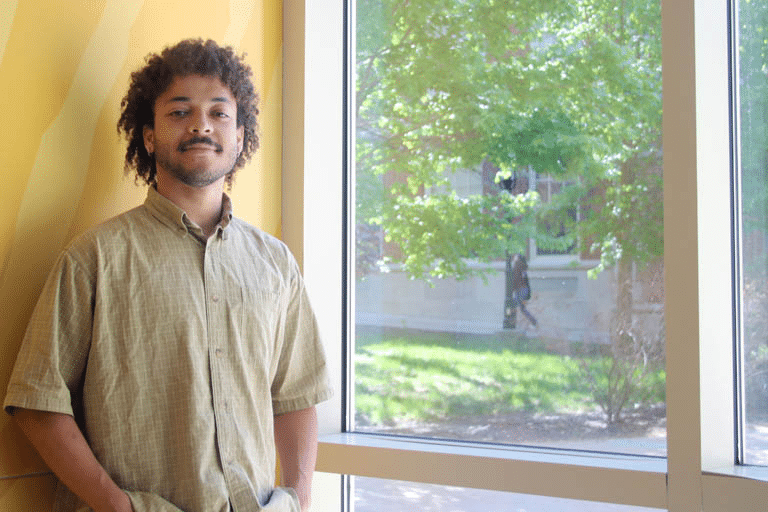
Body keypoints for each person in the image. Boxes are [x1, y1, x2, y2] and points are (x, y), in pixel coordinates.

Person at [4, 39, 331, 512]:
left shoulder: (276, 263)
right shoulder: (93, 259)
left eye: (219, 113)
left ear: (240, 138)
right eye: (179, 112)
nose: (201, 124)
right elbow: (37, 403)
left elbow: (297, 395)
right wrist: (118, 506)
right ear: (149, 137)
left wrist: (299, 499)